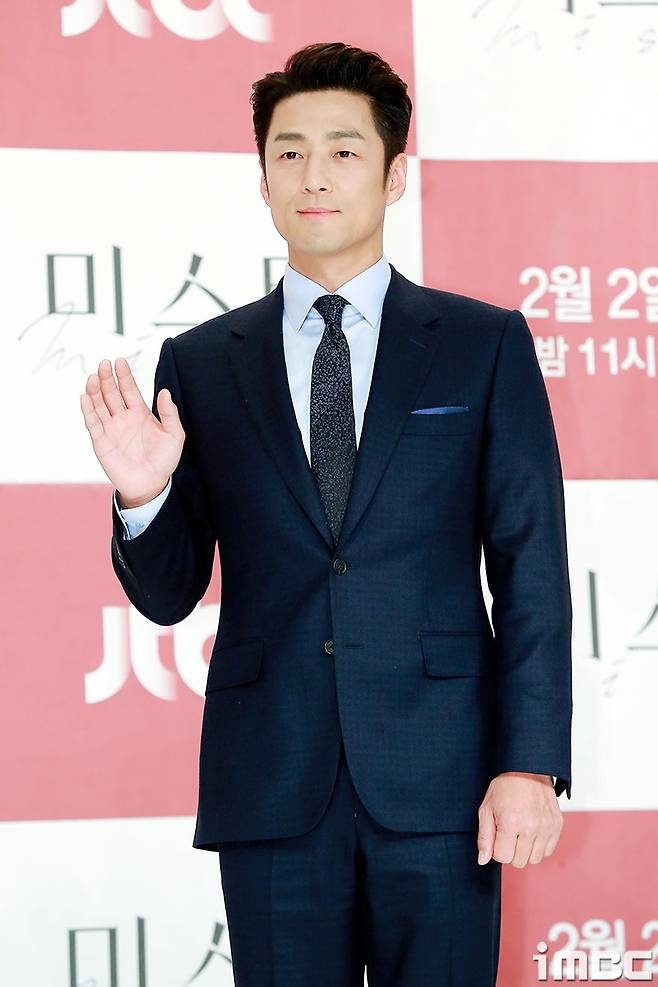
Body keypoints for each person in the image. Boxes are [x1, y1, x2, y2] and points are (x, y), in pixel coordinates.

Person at [80, 40, 572, 987]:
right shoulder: (201, 362)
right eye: (290, 151)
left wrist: (530, 762)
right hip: (271, 781)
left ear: (394, 175)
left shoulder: (482, 345)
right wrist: (144, 496)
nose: (315, 174)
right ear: (262, 178)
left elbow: (533, 571)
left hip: (445, 783)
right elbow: (171, 593)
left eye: (344, 151)